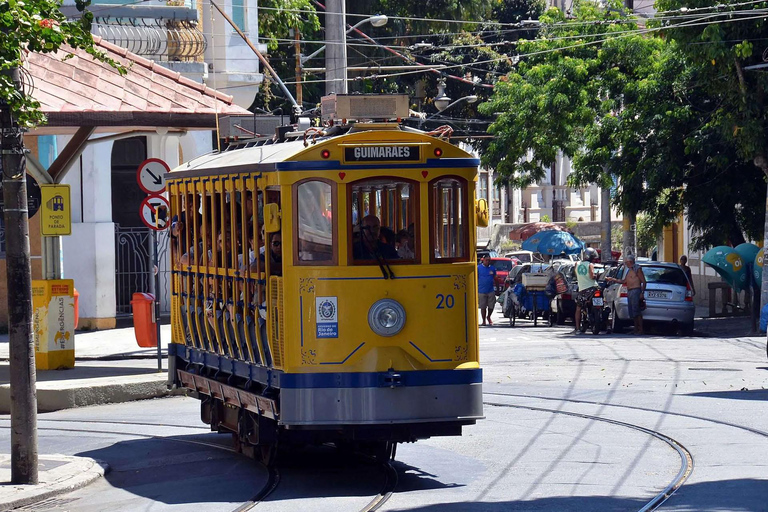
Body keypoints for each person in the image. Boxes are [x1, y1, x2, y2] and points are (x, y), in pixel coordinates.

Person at [608, 254, 647, 334]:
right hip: (630, 291)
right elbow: (624, 281)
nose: (625, 264)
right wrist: (613, 279)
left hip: (636, 290)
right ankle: (636, 328)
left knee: (637, 310)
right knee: (632, 311)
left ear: (630, 262)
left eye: (626, 262)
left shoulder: (637, 269)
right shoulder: (629, 270)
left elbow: (643, 281)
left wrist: (642, 293)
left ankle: (640, 329)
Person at [573, 247, 600, 333]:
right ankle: (606, 324)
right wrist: (597, 275)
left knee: (578, 308)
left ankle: (577, 328)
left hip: (582, 290)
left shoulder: (577, 264)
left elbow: (576, 275)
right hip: (593, 288)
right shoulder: (590, 265)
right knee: (602, 303)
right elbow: (592, 276)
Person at [478, 255, 497, 326]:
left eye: (489, 260)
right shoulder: (478, 268)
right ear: (483, 260)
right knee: (483, 307)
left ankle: (488, 316)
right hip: (481, 290)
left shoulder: (492, 268)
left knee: (491, 306)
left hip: (490, 290)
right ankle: (483, 321)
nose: (488, 262)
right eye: (486, 260)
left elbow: (495, 278)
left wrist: (497, 289)